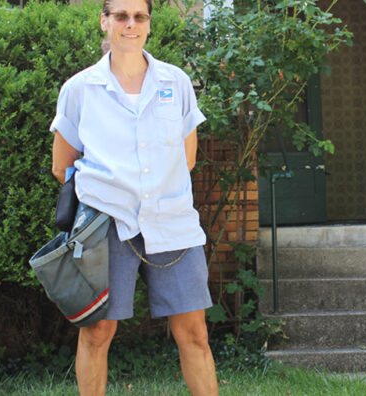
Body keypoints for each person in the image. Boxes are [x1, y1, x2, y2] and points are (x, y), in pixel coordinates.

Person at [49, 0, 219, 394]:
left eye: (139, 17)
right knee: (97, 334)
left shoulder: (175, 83)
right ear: (104, 22)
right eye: (121, 16)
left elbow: (188, 156)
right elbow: (63, 166)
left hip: (172, 224)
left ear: (148, 25)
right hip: (105, 228)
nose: (131, 24)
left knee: (194, 334)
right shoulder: (79, 90)